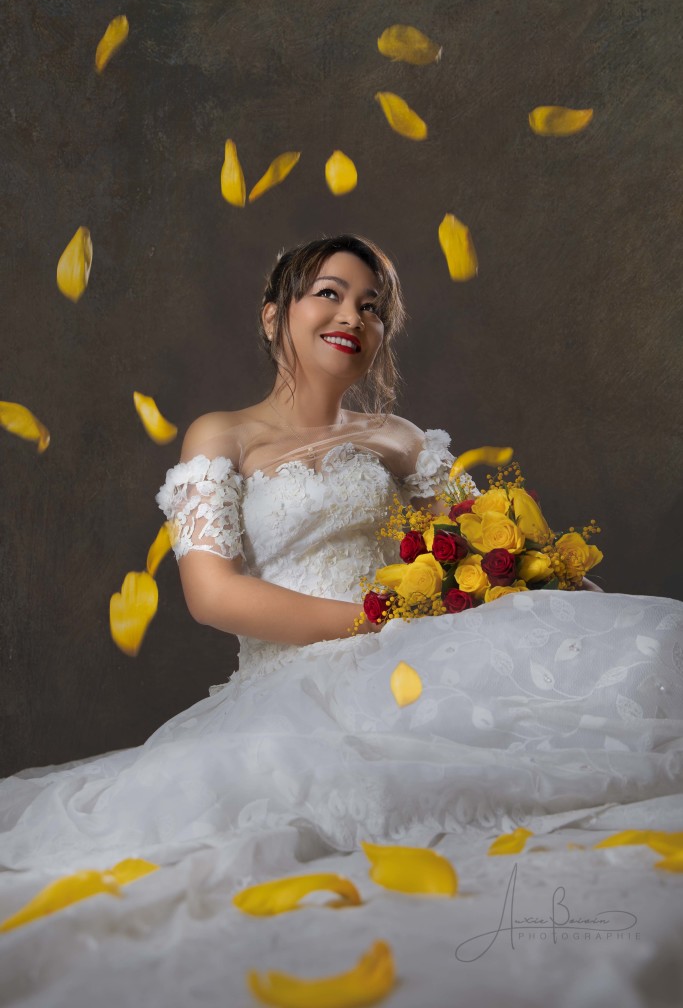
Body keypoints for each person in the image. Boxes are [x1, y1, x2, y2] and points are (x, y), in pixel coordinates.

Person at [1, 236, 682, 1003]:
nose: (350, 315)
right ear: (273, 316)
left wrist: (555, 581)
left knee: (645, 655)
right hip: (298, 682)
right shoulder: (220, 435)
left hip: (418, 659)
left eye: (371, 305)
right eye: (327, 293)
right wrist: (373, 617)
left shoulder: (398, 437)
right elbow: (212, 595)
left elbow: (484, 547)